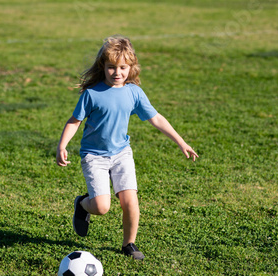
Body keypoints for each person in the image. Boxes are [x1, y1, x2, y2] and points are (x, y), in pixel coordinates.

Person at [56, 35, 198, 260]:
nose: (117, 72)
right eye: (111, 67)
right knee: (102, 207)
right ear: (103, 67)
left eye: (123, 67)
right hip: (95, 156)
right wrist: (62, 145)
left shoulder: (134, 93)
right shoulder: (92, 94)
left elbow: (156, 119)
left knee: (130, 201)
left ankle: (128, 244)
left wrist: (181, 142)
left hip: (121, 153)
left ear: (131, 68)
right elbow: (75, 121)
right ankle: (82, 205)